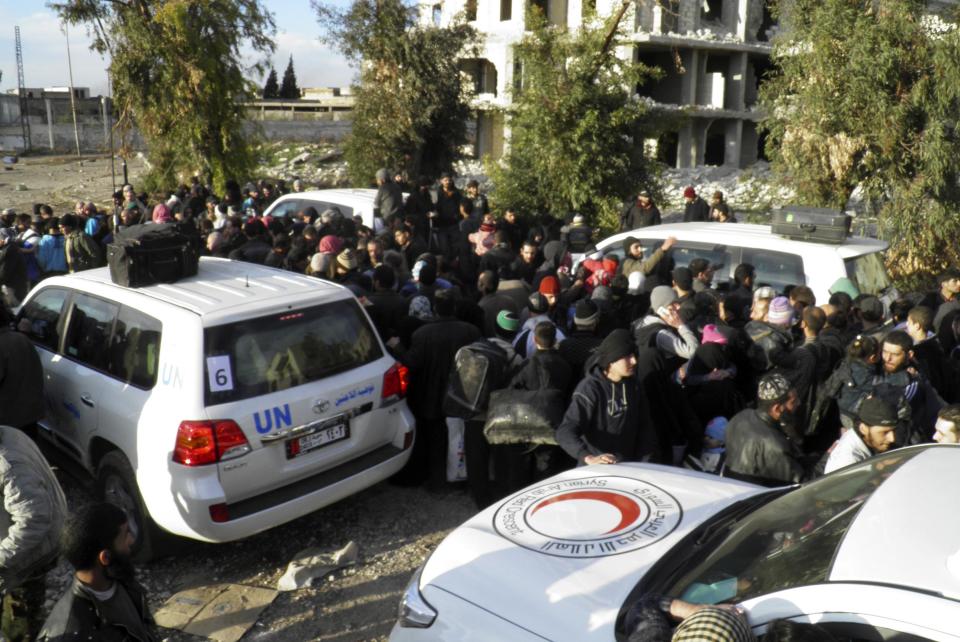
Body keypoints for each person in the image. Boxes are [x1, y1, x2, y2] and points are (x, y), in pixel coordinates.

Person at [39, 502, 156, 641]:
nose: (131, 540)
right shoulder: (70, 633)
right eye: (125, 535)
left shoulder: (119, 577)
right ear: (105, 557)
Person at [0, 424, 67, 641]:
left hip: (28, 558)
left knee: (20, 619)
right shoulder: (9, 432)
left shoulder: (9, 466)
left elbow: (33, 520)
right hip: (31, 548)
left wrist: (1, 558)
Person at [555, 329, 659, 465]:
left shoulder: (634, 385)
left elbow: (645, 427)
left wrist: (645, 462)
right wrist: (588, 457)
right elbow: (565, 431)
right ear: (611, 360)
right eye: (627, 356)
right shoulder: (590, 389)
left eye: (634, 354)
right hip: (598, 471)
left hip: (630, 468)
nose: (634, 361)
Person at [724, 373, 808, 486]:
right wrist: (829, 456)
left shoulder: (740, 417)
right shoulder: (774, 446)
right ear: (777, 409)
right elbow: (804, 483)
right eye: (793, 402)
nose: (799, 403)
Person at [823, 395, 899, 473]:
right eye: (885, 432)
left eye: (893, 430)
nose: (892, 438)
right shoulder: (849, 463)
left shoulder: (860, 439)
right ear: (863, 429)